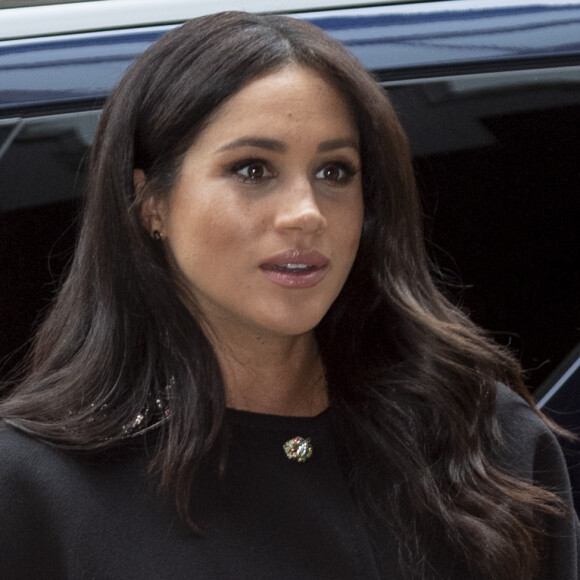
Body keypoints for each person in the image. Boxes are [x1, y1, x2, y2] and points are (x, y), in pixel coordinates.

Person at [0, 11, 577, 580]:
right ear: (151, 202)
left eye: (334, 172)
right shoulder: (34, 486)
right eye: (253, 169)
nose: (306, 213)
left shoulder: (483, 442)